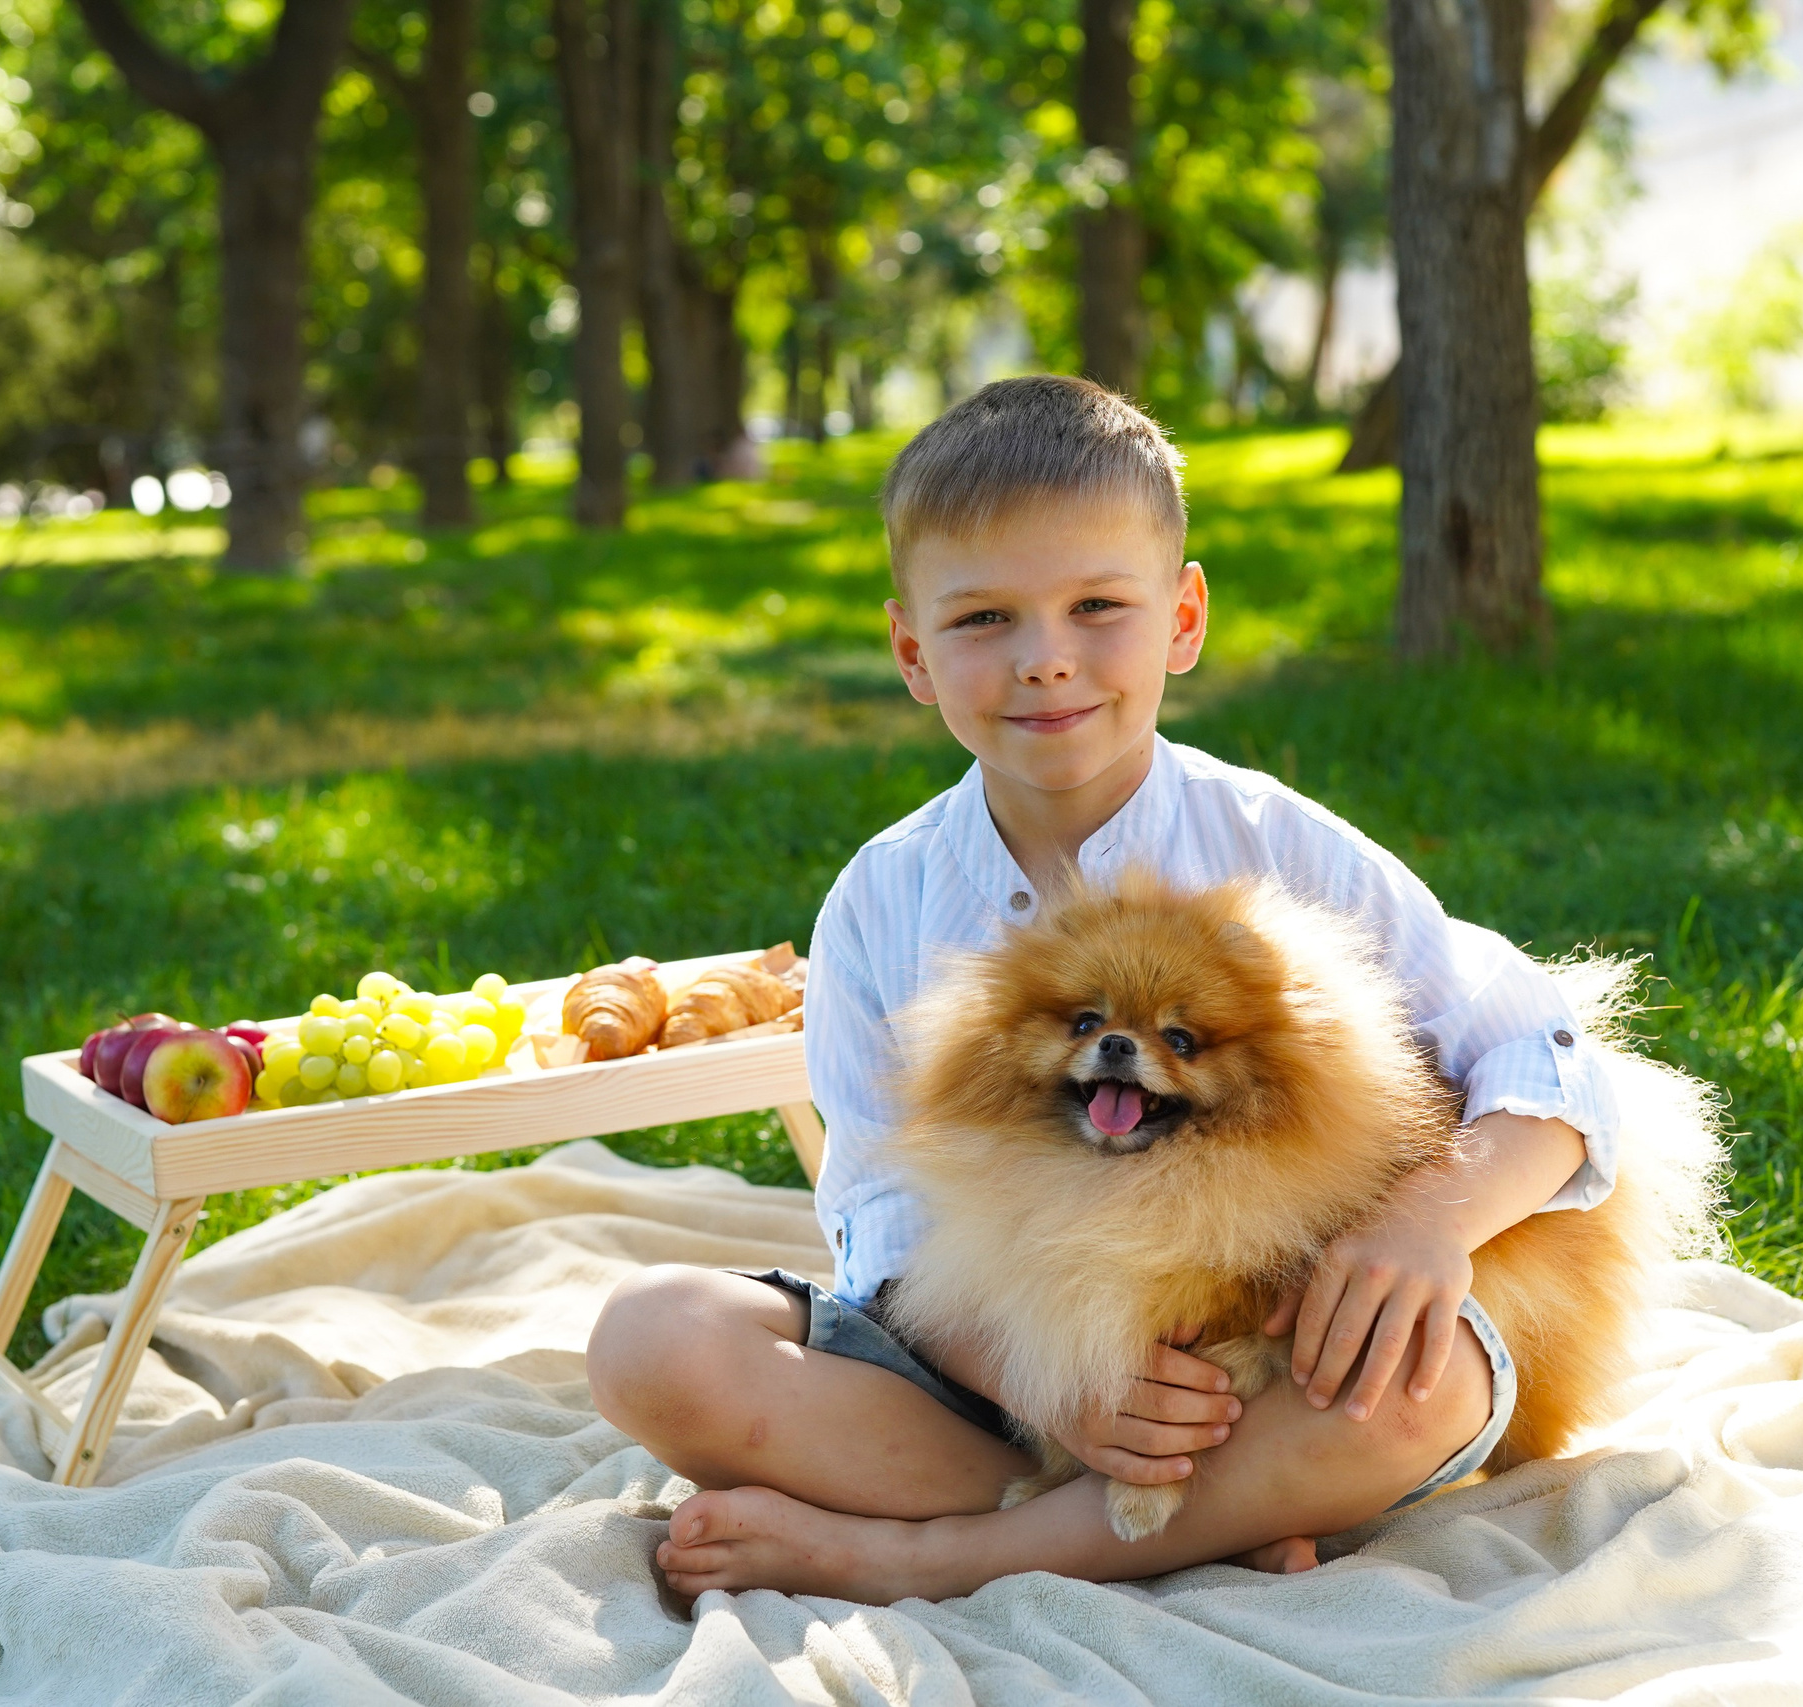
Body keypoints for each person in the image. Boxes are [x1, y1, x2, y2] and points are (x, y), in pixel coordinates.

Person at [585, 375, 1618, 1603]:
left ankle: (929, 1552)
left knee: (1417, 1391)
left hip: (1270, 1367)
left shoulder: (1276, 844)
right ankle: (1186, 1521)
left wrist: (1426, 1225)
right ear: (912, 652)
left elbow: (1542, 1054)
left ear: (1181, 620)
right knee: (651, 1340)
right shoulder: (886, 896)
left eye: (1095, 607)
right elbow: (883, 1233)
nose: (1045, 663)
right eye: (983, 621)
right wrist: (1048, 1389)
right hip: (987, 1386)